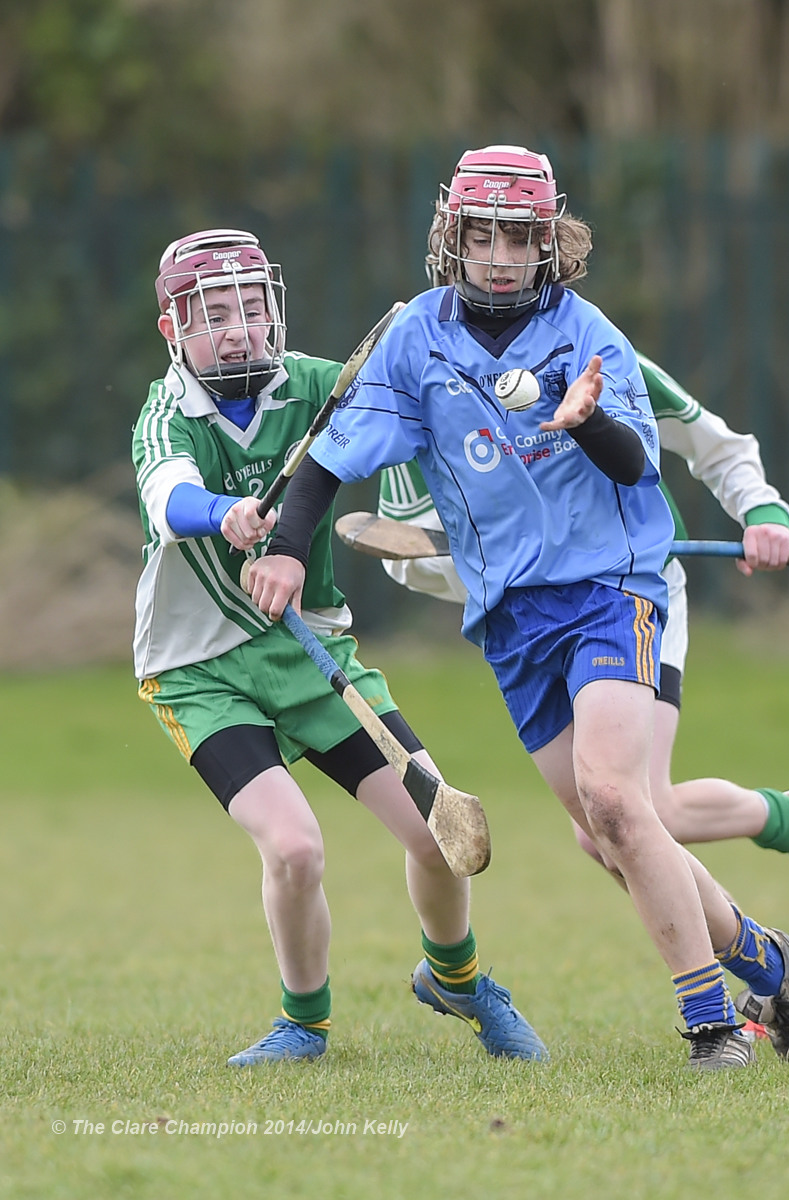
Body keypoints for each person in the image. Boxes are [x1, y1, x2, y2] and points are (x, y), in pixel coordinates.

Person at [247, 145, 789, 1069]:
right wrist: (284, 548)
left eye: (523, 237)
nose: (504, 256)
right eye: (486, 235)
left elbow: (638, 464)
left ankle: (712, 1023)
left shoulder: (586, 332)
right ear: (455, 237)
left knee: (615, 795)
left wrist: (582, 418)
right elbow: (332, 460)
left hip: (612, 586)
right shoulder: (418, 339)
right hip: (512, 617)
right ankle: (770, 962)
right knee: (608, 832)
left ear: (551, 242)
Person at [132, 227, 547, 1068]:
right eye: (215, 315)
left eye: (253, 306)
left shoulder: (323, 387)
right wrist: (223, 513)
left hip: (314, 660)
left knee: (436, 833)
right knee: (294, 847)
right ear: (176, 331)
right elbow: (166, 493)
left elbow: (413, 432)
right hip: (199, 672)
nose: (240, 328)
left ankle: (457, 980)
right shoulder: (166, 412)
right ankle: (305, 1024)